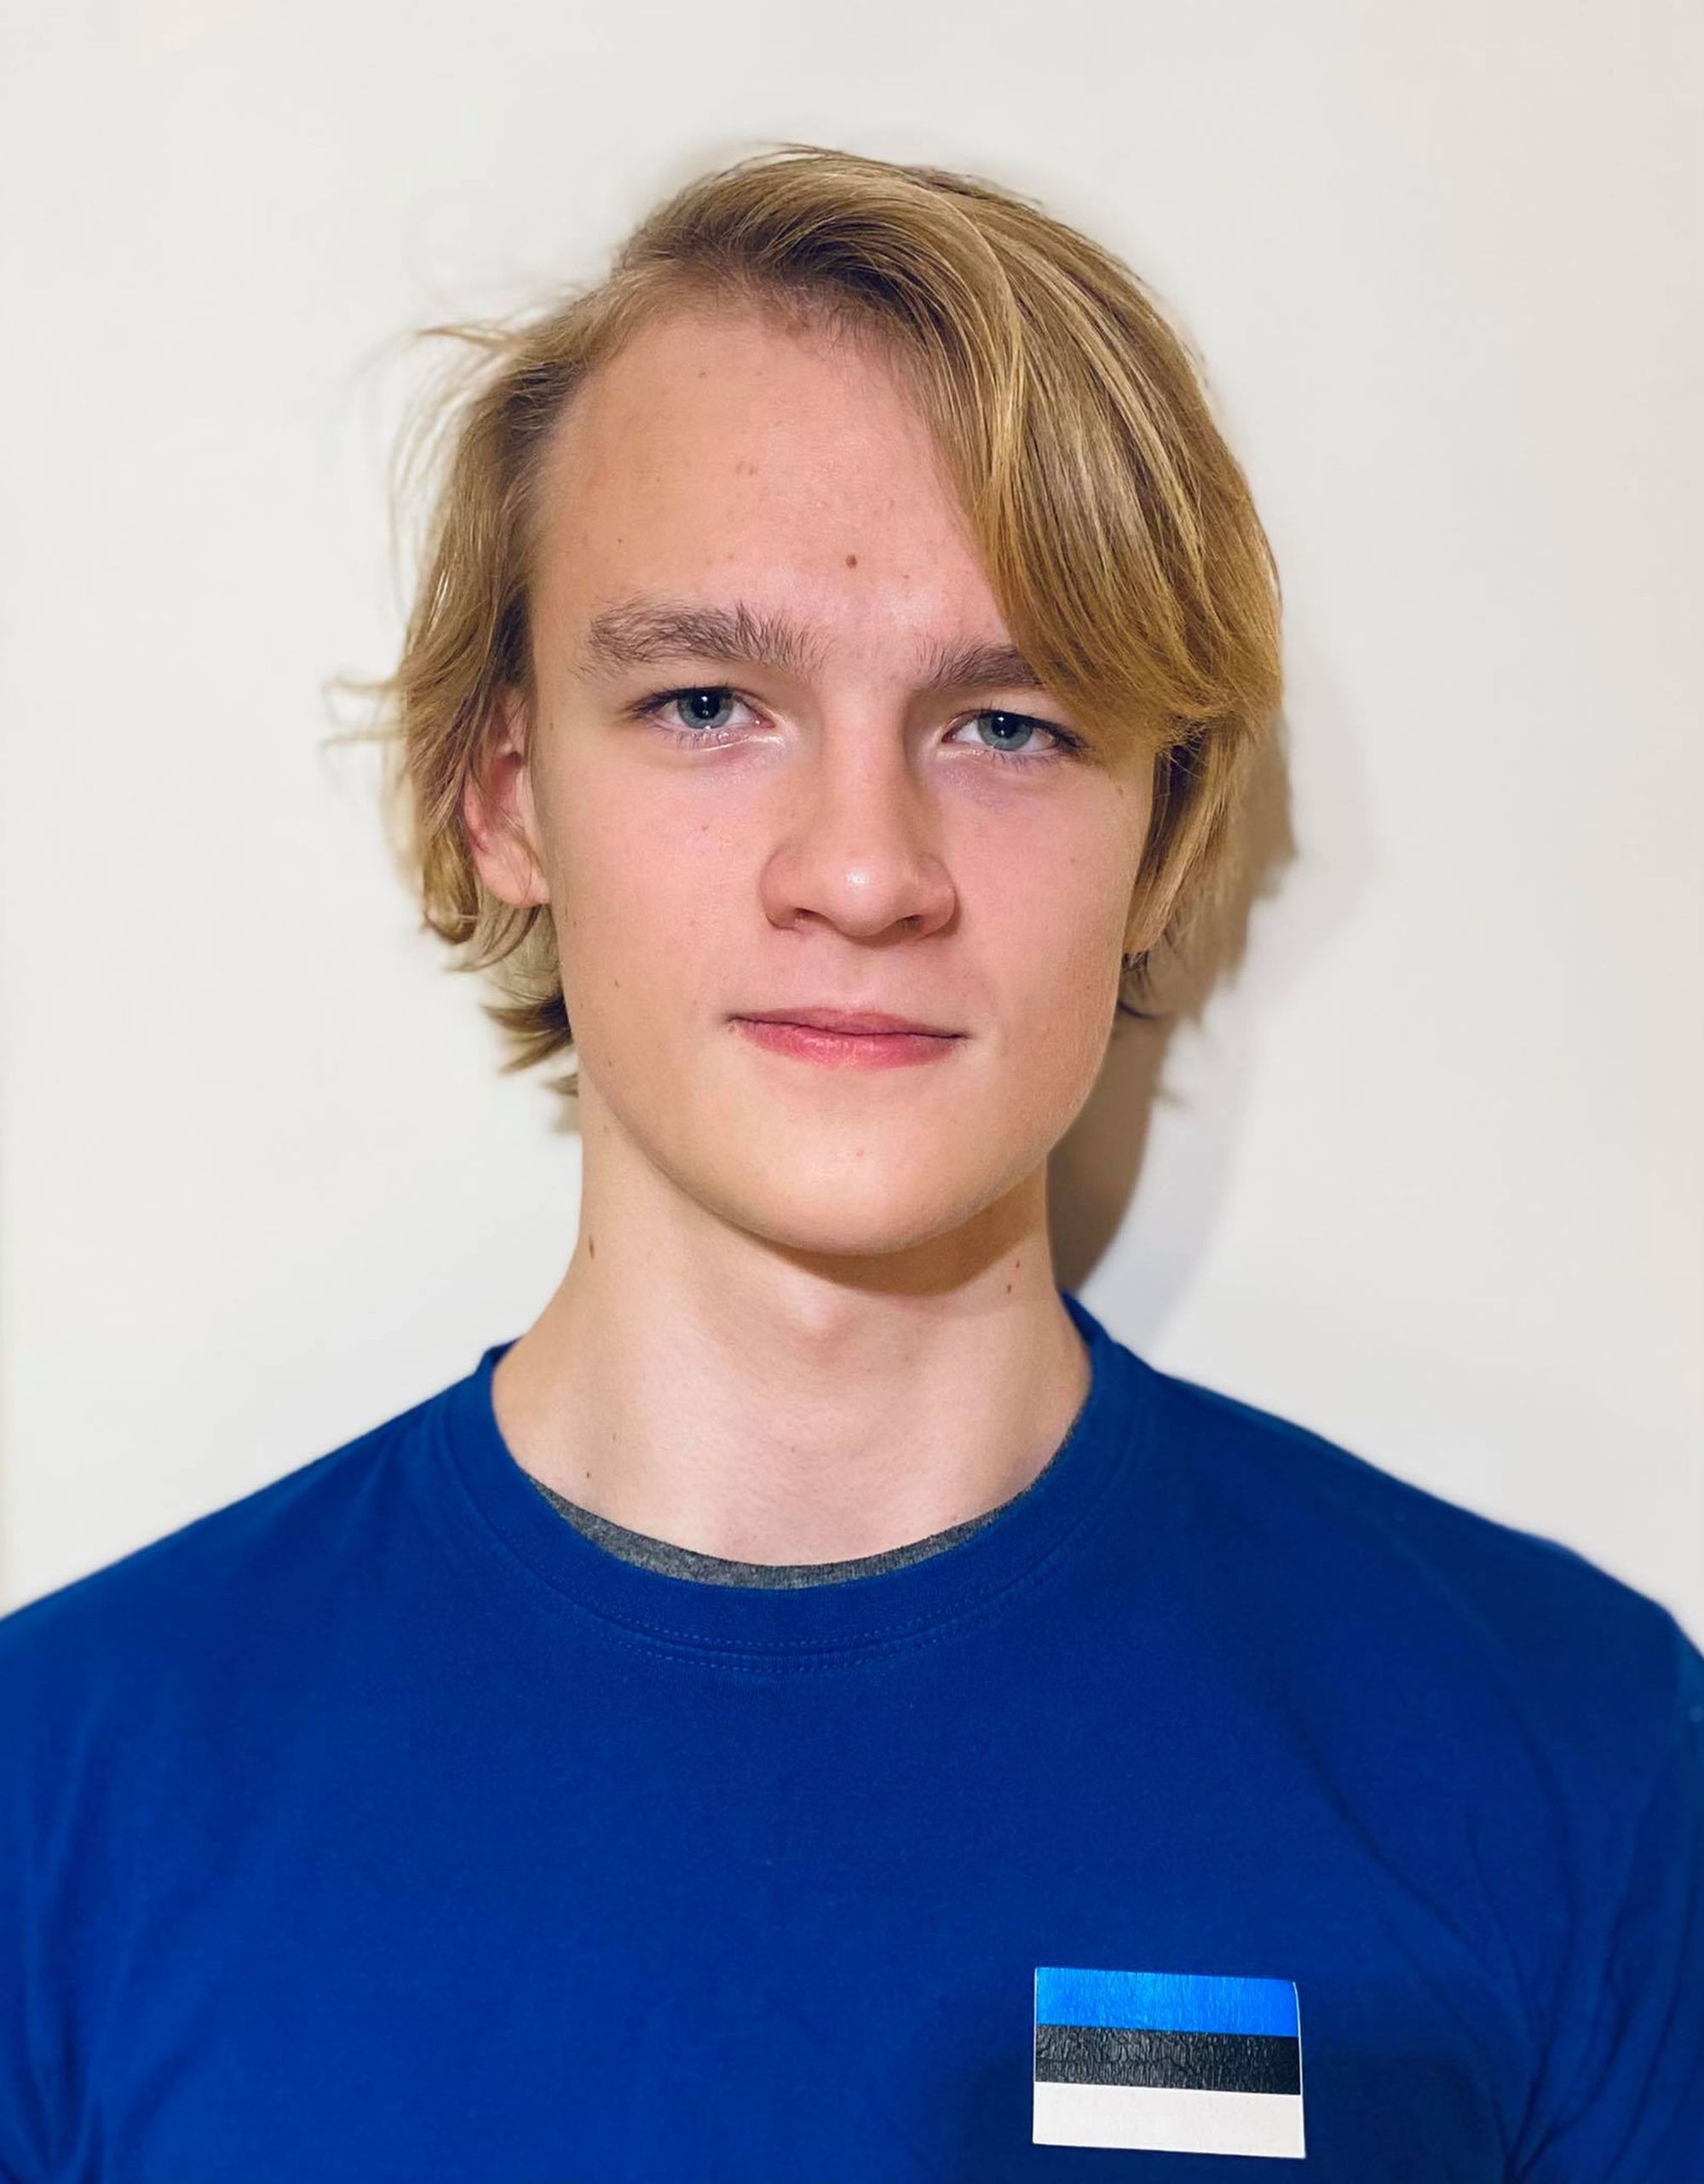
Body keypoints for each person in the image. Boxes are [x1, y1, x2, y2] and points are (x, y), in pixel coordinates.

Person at [1, 142, 1698, 2183]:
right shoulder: (62, 1800)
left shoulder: (1573, 1759)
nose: (870, 871)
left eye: (1011, 725)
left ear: (1163, 837)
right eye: (709, 702)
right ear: (505, 793)